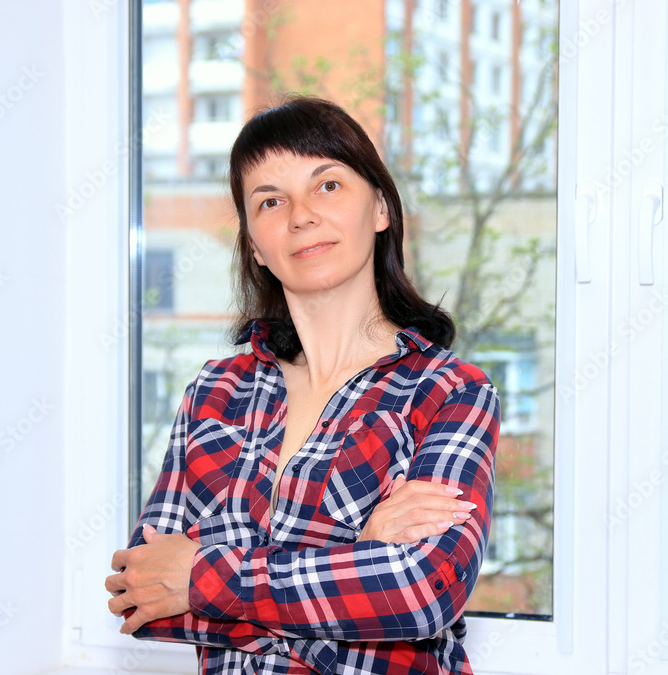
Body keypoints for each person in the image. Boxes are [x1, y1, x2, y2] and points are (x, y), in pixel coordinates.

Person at [105, 96, 501, 675]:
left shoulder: (449, 393)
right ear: (256, 247)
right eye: (270, 201)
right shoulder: (214, 394)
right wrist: (355, 560)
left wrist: (203, 578)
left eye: (329, 185)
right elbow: (140, 595)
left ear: (382, 209)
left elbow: (422, 593)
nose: (301, 215)